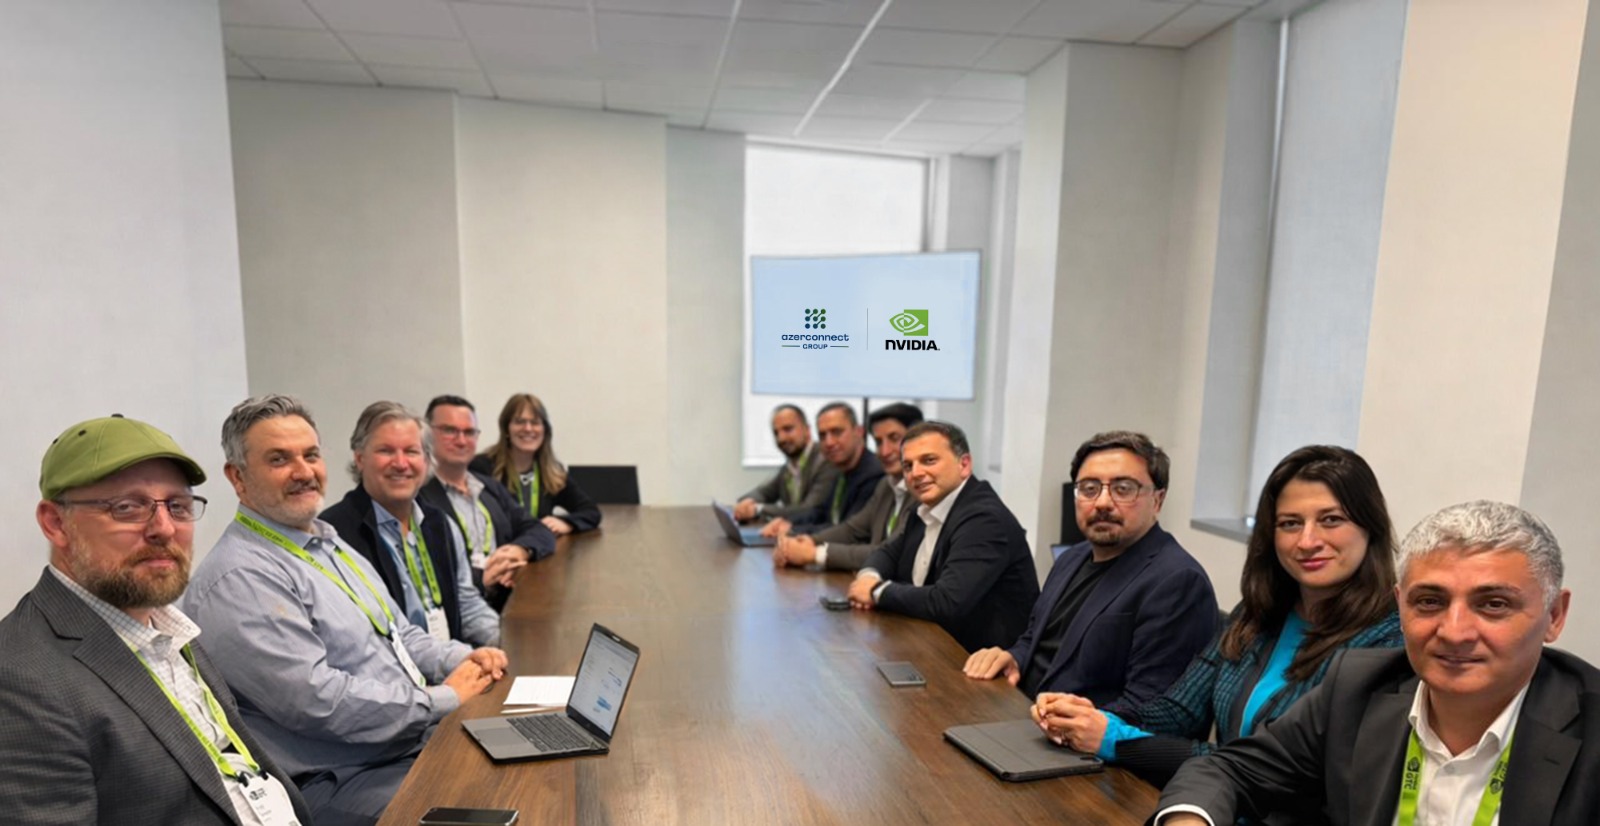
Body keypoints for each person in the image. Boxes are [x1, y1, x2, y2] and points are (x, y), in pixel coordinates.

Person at [1155, 501, 1600, 826]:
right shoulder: (1358, 685)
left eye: (1493, 604)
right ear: (1400, 606)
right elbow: (1227, 769)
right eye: (1430, 602)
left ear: (1554, 616)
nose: (1454, 631)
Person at [185, 395, 507, 826]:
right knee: (497, 805)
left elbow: (400, 634)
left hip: (402, 744)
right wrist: (442, 699)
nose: (304, 472)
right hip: (341, 777)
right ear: (237, 477)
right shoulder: (240, 576)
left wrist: (463, 659)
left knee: (524, 770)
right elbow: (318, 701)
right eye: (279, 459)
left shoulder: (326, 541)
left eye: (310, 455)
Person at [1034, 446, 1404, 799]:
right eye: (1290, 523)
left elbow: (1280, 773)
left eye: (1331, 520)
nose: (1307, 541)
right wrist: (1084, 717)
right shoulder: (1256, 615)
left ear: (1369, 526)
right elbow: (1178, 710)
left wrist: (1115, 740)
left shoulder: (1388, 644)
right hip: (1213, 803)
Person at [0, 414, 310, 825]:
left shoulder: (166, 629)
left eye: (177, 506)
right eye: (127, 507)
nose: (164, 528)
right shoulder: (20, 679)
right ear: (56, 523)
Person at [963, 431, 1217, 712]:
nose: (1103, 502)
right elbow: (1035, 639)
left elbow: (1153, 708)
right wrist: (1014, 658)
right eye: (1089, 488)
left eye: (1123, 489)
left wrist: (1067, 720)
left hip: (1079, 735)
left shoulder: (1177, 581)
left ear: (1157, 500)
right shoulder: (1071, 557)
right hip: (1020, 710)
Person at [845, 421, 1038, 652]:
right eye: (908, 465)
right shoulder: (924, 508)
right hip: (932, 643)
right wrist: (868, 577)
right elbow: (887, 552)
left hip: (982, 662)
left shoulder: (984, 519)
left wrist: (877, 591)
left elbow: (947, 602)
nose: (916, 473)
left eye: (929, 460)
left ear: (964, 464)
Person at [320, 401, 501, 647]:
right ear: (360, 459)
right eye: (386, 451)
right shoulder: (334, 536)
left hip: (453, 660)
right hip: (393, 668)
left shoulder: (441, 524)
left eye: (411, 451)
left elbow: (467, 604)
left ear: (426, 460)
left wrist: (505, 641)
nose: (400, 463)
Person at [419, 394, 557, 611]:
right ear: (427, 434)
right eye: (449, 431)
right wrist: (480, 578)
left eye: (469, 432)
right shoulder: (418, 496)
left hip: (506, 600)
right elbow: (423, 568)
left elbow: (537, 529)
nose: (461, 440)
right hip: (459, 611)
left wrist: (520, 550)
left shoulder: (488, 487)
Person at [772, 402, 922, 571]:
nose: (884, 451)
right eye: (878, 442)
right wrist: (809, 540)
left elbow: (892, 552)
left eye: (894, 438)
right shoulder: (886, 485)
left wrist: (815, 553)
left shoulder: (923, 490)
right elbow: (852, 528)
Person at [471, 392, 601, 535]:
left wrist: (567, 523)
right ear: (506, 429)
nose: (528, 428)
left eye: (535, 422)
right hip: (501, 548)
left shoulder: (552, 472)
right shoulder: (482, 467)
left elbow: (591, 512)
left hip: (537, 546)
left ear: (544, 430)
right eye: (519, 422)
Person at [760, 400, 884, 537]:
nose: (829, 442)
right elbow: (820, 513)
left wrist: (794, 530)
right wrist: (786, 522)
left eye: (836, 432)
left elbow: (848, 530)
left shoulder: (874, 475)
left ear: (859, 432)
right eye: (822, 436)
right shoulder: (839, 469)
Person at [731, 403, 841, 523]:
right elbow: (762, 493)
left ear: (807, 430)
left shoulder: (826, 460)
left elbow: (809, 511)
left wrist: (758, 509)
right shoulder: (789, 467)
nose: (781, 438)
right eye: (776, 433)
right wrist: (745, 504)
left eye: (788, 429)